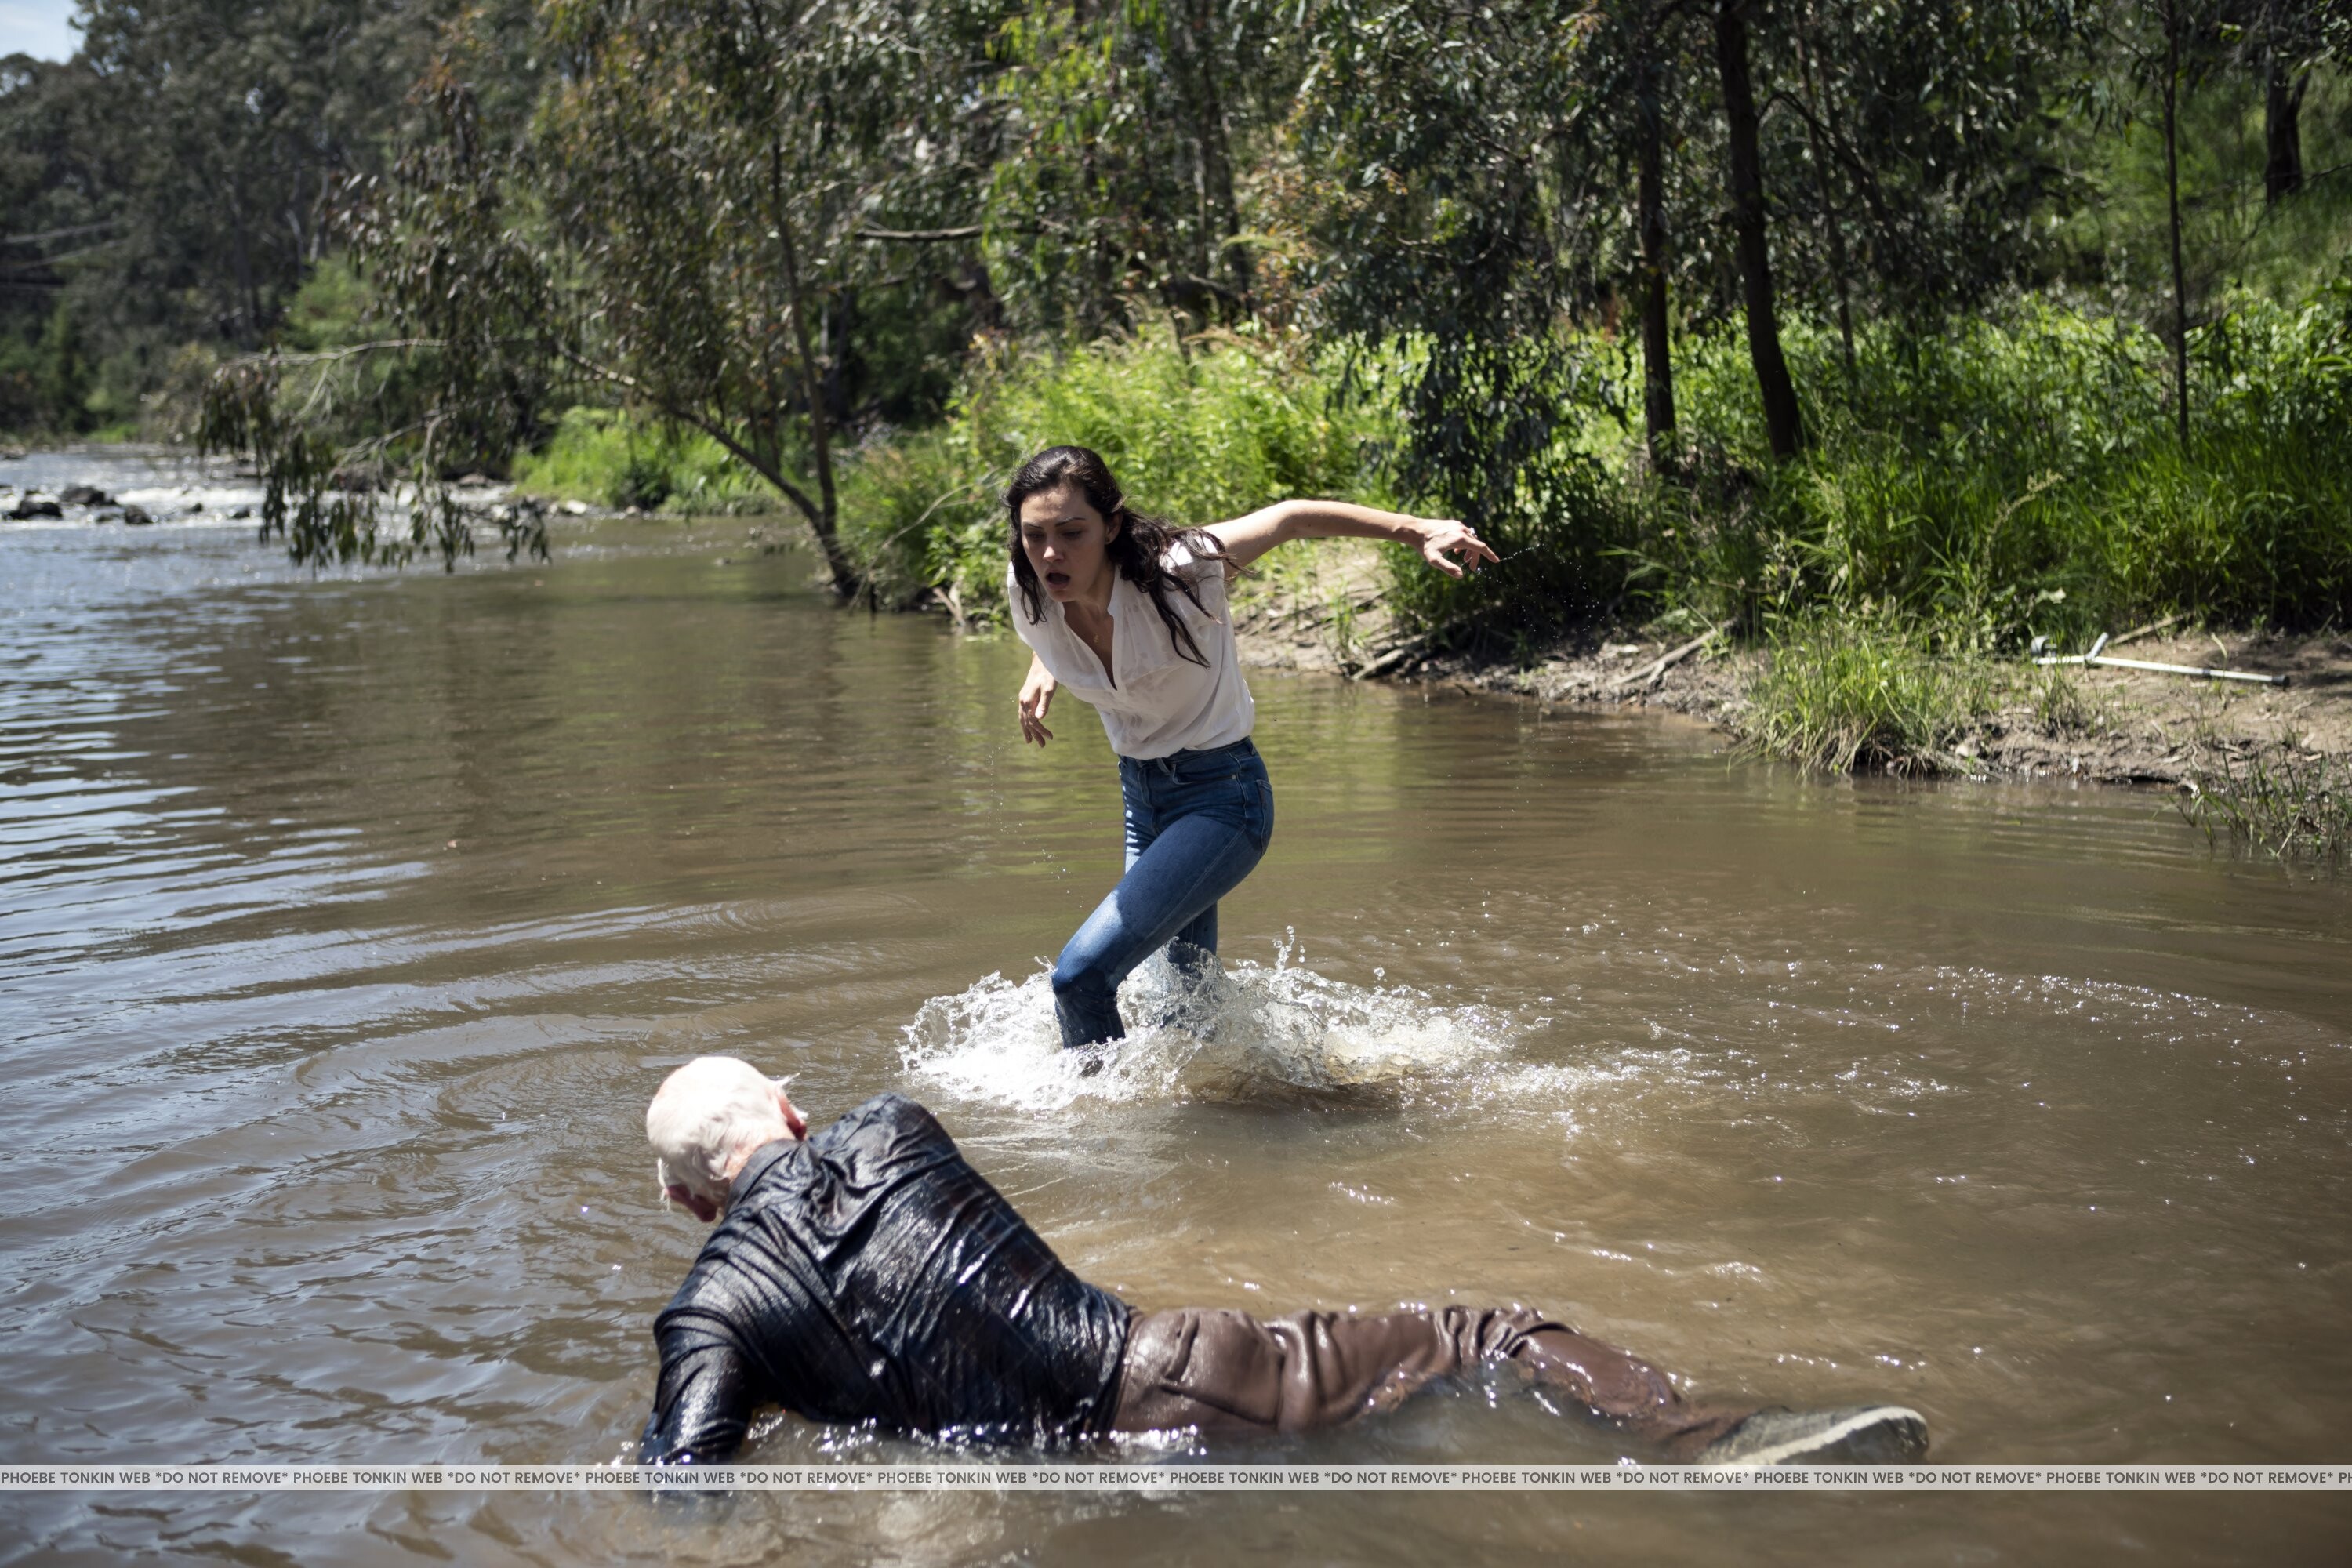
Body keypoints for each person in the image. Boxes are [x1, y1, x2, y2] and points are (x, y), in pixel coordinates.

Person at [635, 1056, 1930, 1468]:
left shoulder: (707, 1316)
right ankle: (1709, 1440)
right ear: (792, 1111)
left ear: (694, 1206)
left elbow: (685, 1481)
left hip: (1057, 1472)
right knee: (1481, 1332)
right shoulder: (887, 1127)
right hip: (1162, 1381)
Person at [1005, 446, 1500, 1054]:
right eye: (1034, 536)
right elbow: (1054, 620)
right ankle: (1244, 1088)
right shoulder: (1030, 587)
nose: (1050, 553)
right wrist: (1046, 664)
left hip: (1223, 799)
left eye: (1071, 533)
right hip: (1142, 802)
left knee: (1081, 978)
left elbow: (1292, 517)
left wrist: (1417, 530)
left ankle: (1095, 1110)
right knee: (1185, 1010)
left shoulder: (1182, 570)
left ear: (1110, 526)